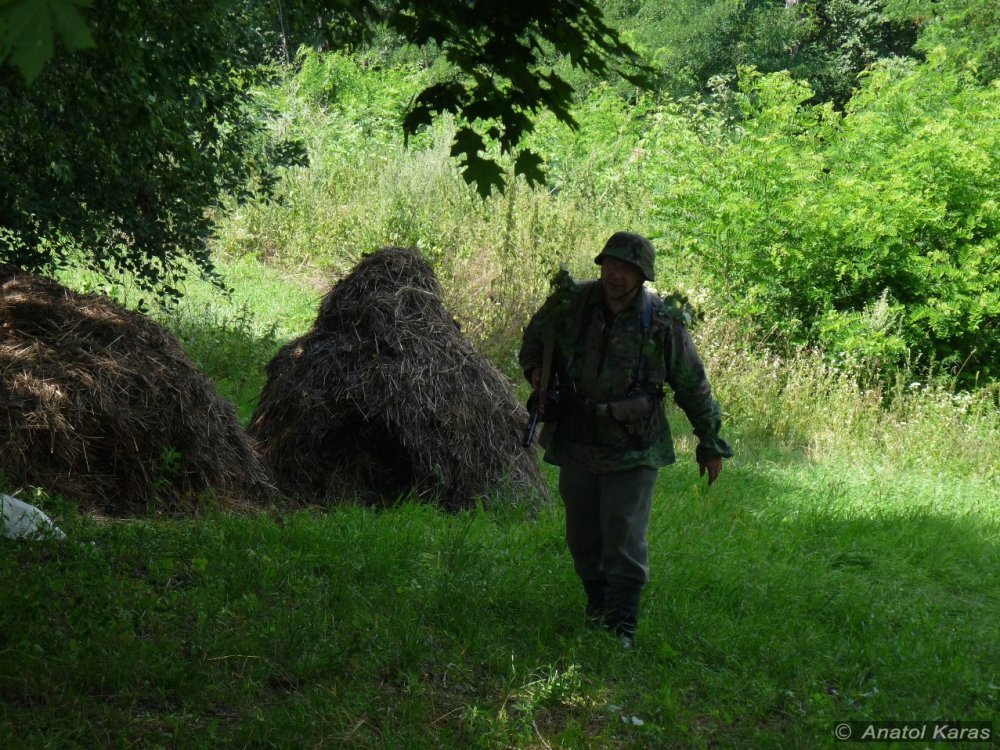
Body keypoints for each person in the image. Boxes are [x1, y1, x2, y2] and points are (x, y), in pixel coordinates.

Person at [518, 232, 733, 648]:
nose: (616, 275)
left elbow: (692, 384)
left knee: (624, 535)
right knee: (582, 537)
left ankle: (621, 629)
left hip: (634, 445)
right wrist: (537, 375)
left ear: (642, 275)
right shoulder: (570, 305)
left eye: (627, 268)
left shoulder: (662, 321)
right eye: (611, 265)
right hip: (578, 439)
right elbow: (533, 343)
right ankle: (598, 611)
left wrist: (710, 442)